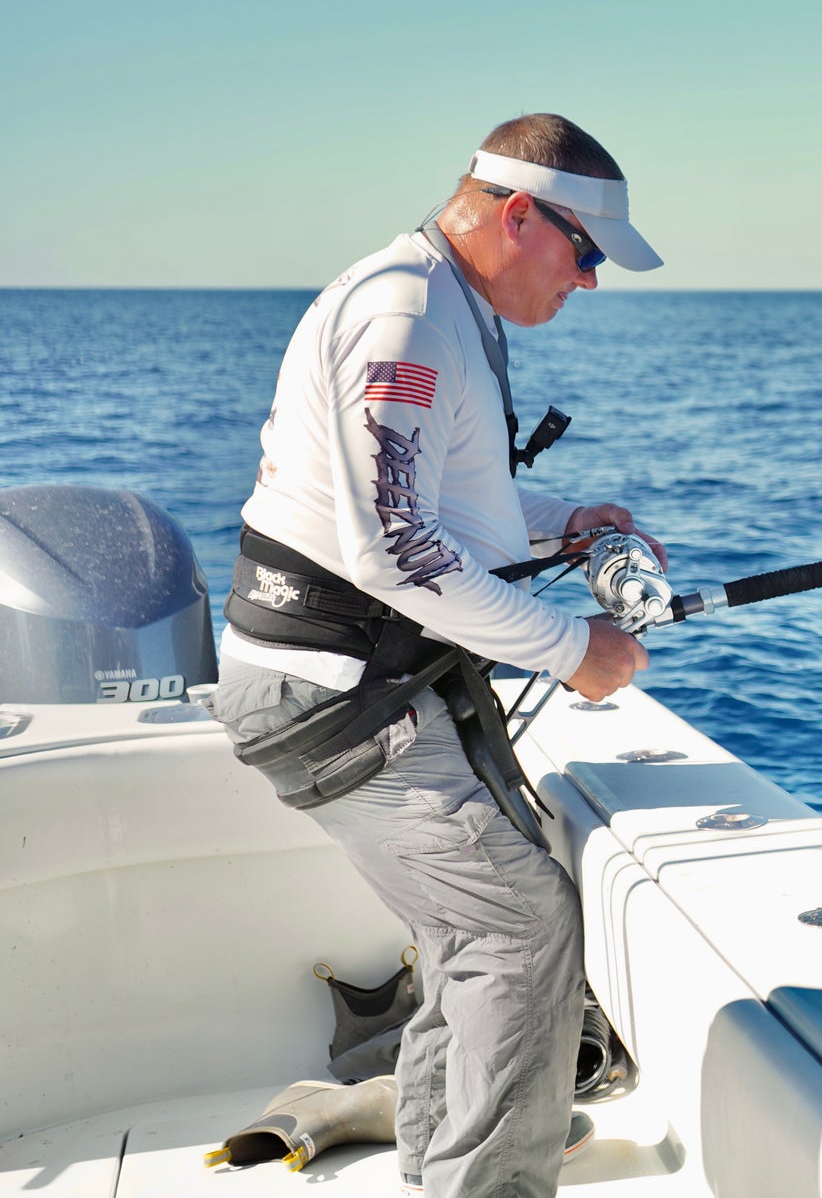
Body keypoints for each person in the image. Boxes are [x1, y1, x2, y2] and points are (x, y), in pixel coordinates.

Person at [207, 113, 662, 1197]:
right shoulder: (404, 315)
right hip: (339, 693)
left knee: (476, 928)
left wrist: (564, 524)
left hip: (361, 683)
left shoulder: (444, 304)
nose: (590, 280)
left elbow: (442, 503)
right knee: (519, 928)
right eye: (585, 251)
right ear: (521, 215)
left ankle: (437, 1157)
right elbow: (397, 549)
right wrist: (572, 651)